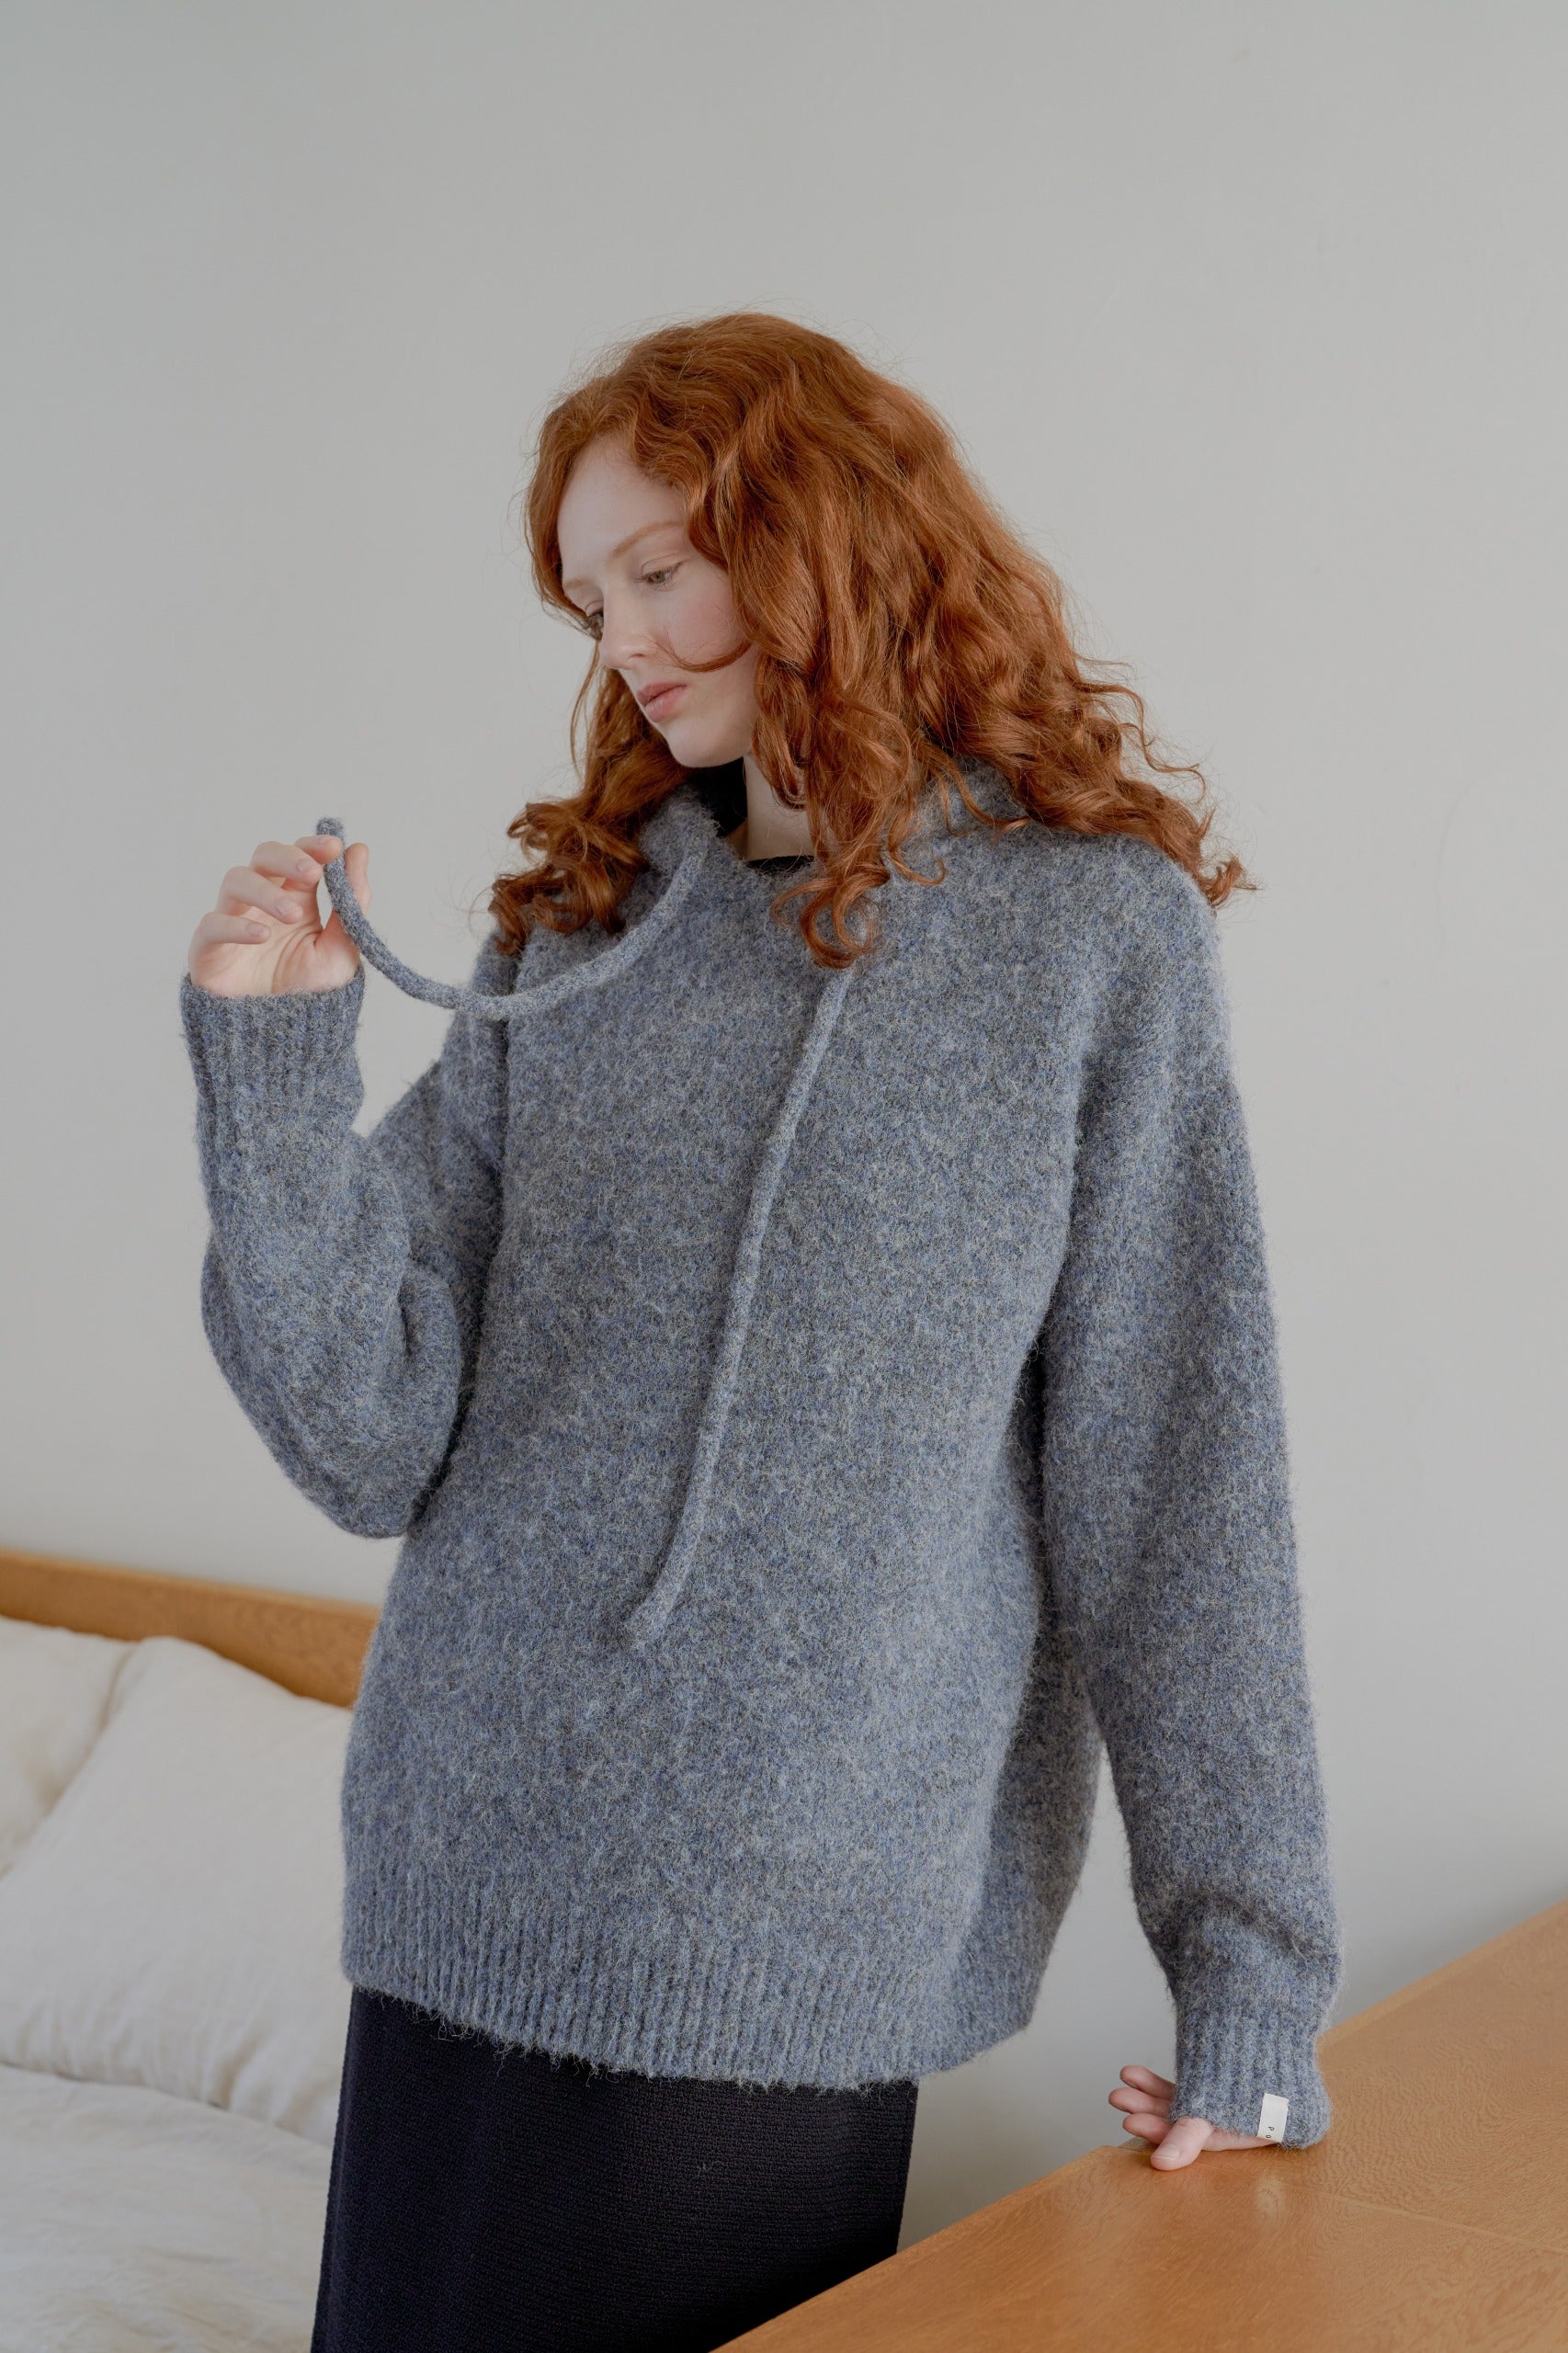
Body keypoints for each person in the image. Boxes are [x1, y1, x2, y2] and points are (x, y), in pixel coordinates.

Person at [179, 313, 1342, 2353]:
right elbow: (366, 1438)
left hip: (787, 1938)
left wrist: (1250, 1971)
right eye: (591, 597)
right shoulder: (582, 922)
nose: (623, 640)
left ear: (825, 537)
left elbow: (1176, 1480)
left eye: (660, 568)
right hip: (459, 1881)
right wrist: (273, 1074)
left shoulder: (1088, 940)